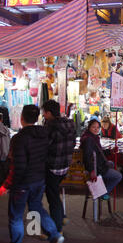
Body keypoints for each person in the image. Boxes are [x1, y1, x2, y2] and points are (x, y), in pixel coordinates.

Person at [0, 105, 64, 243]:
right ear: (37, 118)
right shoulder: (44, 134)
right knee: (36, 208)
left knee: (16, 216)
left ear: (21, 118)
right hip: (39, 180)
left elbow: (18, 165)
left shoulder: (19, 139)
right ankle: (54, 234)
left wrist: (7, 184)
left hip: (23, 182)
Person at [42, 100, 76, 234]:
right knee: (54, 192)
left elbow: (45, 147)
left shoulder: (50, 127)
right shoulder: (70, 123)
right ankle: (61, 217)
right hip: (65, 166)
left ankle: (57, 229)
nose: (43, 115)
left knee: (53, 197)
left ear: (49, 113)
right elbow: (73, 143)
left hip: (52, 167)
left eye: (44, 112)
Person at [80, 119, 122, 199]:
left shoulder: (93, 137)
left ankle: (101, 187)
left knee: (111, 163)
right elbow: (87, 157)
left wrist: (110, 151)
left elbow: (99, 152)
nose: (96, 129)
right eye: (93, 127)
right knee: (118, 176)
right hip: (96, 168)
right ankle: (102, 193)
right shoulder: (89, 139)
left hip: (98, 164)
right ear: (89, 127)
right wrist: (92, 171)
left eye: (98, 127)